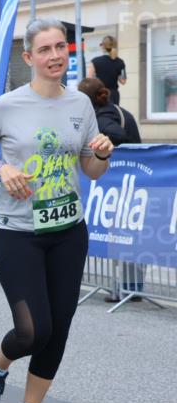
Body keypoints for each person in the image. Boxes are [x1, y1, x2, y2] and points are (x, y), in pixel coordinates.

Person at [0, 18, 114, 403]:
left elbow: (92, 170)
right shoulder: (8, 105)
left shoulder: (80, 104)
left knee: (58, 328)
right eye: (44, 49)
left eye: (60, 47)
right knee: (33, 330)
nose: (54, 56)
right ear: (28, 57)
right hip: (18, 233)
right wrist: (1, 167)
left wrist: (103, 153)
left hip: (68, 231)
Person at [78, 76, 143, 303]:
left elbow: (117, 134)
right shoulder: (116, 109)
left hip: (122, 182)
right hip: (136, 180)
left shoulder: (102, 116)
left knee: (121, 235)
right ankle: (133, 288)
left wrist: (101, 143)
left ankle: (124, 289)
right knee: (132, 235)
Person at [87, 36, 126, 105]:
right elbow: (123, 81)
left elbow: (89, 79)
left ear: (103, 46)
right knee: (113, 111)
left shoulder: (95, 61)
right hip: (114, 95)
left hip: (100, 94)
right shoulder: (120, 62)